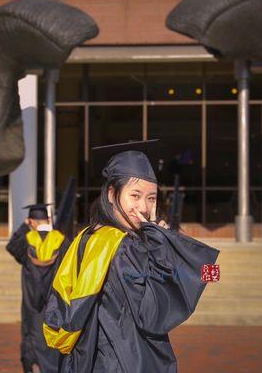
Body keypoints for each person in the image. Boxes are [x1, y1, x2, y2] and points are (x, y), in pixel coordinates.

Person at [43, 141, 219, 372]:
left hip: (90, 358)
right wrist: (161, 248)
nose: (144, 207)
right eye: (135, 195)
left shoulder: (88, 236)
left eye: (151, 198)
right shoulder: (125, 248)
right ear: (112, 193)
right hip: (127, 359)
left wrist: (154, 240)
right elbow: (152, 313)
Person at [6, 203, 69, 373]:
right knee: (52, 332)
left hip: (31, 301)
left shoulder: (26, 241)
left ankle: (33, 366)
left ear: (31, 221)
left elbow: (11, 246)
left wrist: (24, 226)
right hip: (54, 299)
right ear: (48, 220)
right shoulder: (62, 241)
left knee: (31, 332)